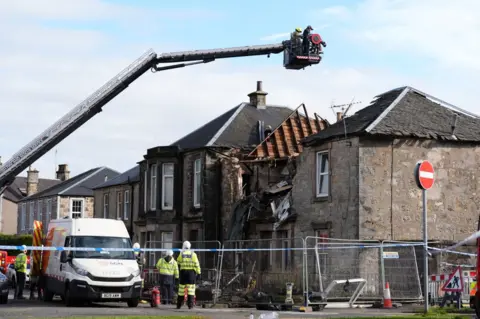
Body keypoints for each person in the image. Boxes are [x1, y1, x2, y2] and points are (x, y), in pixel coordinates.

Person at [176, 241, 201, 309]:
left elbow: (178, 263)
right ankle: (190, 305)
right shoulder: (193, 254)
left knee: (181, 290)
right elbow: (197, 264)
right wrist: (199, 273)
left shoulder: (181, 254)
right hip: (191, 274)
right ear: (190, 246)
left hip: (183, 273)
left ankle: (179, 304)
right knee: (191, 290)